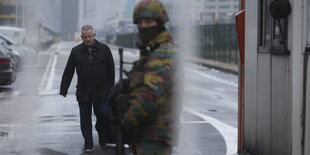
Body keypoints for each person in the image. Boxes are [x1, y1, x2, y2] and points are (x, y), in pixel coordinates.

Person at [118, 0, 181, 154]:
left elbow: (152, 96)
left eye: (148, 21)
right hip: (148, 133)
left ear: (159, 23)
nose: (143, 26)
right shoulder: (152, 50)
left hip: (155, 135)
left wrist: (127, 123)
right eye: (140, 22)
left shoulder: (163, 53)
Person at [60, 25, 115, 152]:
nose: (88, 39)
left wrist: (111, 88)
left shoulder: (104, 49)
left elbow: (111, 70)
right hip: (84, 91)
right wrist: (64, 89)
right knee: (85, 118)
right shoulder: (76, 51)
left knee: (103, 115)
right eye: (85, 37)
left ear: (94, 36)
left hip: (101, 90)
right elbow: (68, 70)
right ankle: (88, 144)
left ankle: (102, 137)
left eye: (90, 36)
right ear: (82, 37)